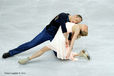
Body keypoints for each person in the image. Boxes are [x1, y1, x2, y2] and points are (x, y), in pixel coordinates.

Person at [2, 12, 83, 59]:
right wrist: (66, 38)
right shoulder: (63, 15)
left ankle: (54, 47)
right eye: (76, 20)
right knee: (31, 44)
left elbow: (69, 32)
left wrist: (68, 40)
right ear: (75, 16)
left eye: (77, 23)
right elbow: (63, 27)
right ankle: (11, 53)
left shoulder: (71, 24)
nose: (75, 23)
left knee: (58, 55)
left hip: (55, 37)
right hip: (47, 33)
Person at [18, 22, 89, 64]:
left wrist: (69, 49)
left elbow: (73, 40)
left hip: (59, 40)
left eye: (85, 27)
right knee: (44, 50)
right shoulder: (75, 24)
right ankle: (80, 54)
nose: (85, 25)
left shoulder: (77, 28)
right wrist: (67, 39)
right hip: (58, 38)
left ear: (82, 29)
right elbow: (66, 32)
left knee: (44, 50)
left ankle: (28, 59)